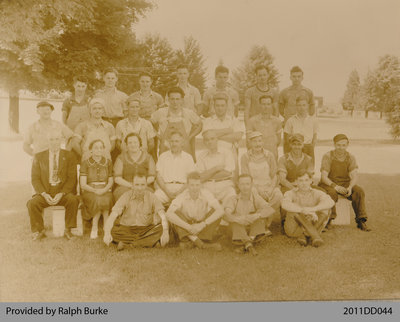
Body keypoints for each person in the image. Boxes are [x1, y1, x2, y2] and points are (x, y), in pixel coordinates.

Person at [26, 130, 79, 241]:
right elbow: (35, 179)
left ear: (61, 141)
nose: (54, 142)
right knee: (32, 203)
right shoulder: (39, 157)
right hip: (46, 191)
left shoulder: (69, 156)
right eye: (51, 139)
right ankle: (39, 231)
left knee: (73, 200)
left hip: (63, 191)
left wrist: (61, 193)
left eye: (57, 139)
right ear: (47, 141)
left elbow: (72, 178)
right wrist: (44, 194)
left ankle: (68, 230)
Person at [103, 171, 169, 251]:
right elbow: (113, 215)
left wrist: (165, 232)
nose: (140, 188)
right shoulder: (126, 196)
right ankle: (149, 243)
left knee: (160, 229)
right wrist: (107, 233)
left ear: (146, 185)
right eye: (137, 185)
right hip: (127, 229)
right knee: (113, 230)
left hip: (146, 229)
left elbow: (162, 215)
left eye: (142, 185)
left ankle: (126, 244)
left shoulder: (152, 197)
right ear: (132, 185)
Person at [318, 134, 371, 231]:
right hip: (329, 183)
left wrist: (350, 187)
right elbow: (324, 176)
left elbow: (354, 176)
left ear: (347, 145)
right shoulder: (328, 156)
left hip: (345, 183)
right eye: (338, 145)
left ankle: (361, 220)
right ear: (334, 145)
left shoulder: (350, 157)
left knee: (359, 191)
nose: (341, 148)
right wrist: (335, 186)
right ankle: (328, 220)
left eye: (343, 145)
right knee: (331, 193)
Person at [166, 172, 224, 250]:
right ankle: (201, 244)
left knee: (216, 212)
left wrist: (203, 224)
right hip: (187, 225)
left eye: (197, 185)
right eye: (192, 185)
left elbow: (220, 210)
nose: (195, 188)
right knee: (175, 213)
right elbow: (168, 214)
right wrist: (189, 227)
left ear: (201, 185)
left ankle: (190, 242)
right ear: (187, 185)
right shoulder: (182, 195)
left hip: (202, 225)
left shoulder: (206, 193)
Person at [224, 174, 275, 255]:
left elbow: (269, 209)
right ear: (238, 185)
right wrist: (237, 219)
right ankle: (250, 243)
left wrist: (256, 215)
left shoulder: (256, 197)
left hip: (252, 228)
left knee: (260, 219)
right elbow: (226, 213)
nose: (245, 187)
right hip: (239, 228)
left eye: (247, 184)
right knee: (235, 223)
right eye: (242, 184)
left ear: (251, 184)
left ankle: (246, 244)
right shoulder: (234, 199)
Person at [281, 171, 334, 247]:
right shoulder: (290, 193)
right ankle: (314, 236)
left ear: (311, 181)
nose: (304, 183)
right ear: (296, 182)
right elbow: (284, 204)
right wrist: (303, 210)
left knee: (325, 208)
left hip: (312, 225)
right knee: (293, 210)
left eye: (306, 180)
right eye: (301, 180)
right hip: (294, 230)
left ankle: (305, 235)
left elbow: (330, 202)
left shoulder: (317, 193)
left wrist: (313, 209)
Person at [151, 86, 202, 160]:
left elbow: (200, 124)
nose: (175, 102)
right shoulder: (161, 112)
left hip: (184, 146)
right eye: (172, 99)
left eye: (177, 99)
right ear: (168, 100)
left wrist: (190, 137)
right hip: (166, 146)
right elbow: (149, 124)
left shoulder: (188, 113)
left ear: (182, 100)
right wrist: (158, 136)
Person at [79, 139, 114, 239]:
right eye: (95, 147)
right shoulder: (86, 163)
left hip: (105, 189)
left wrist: (104, 189)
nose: (98, 150)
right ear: (91, 150)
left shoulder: (108, 162)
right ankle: (97, 227)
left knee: (106, 198)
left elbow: (111, 181)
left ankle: (104, 228)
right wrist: (95, 190)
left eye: (100, 147)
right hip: (90, 190)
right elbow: (83, 184)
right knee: (98, 199)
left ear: (103, 150)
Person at [241, 131, 283, 211]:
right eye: (254, 141)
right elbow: (246, 178)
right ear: (250, 143)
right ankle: (265, 214)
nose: (258, 144)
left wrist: (270, 188)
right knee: (254, 194)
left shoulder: (269, 155)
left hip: (268, 186)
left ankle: (266, 215)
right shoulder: (245, 157)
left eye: (259, 141)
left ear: (263, 142)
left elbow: (274, 175)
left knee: (279, 195)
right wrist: (259, 190)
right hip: (253, 187)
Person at [279, 66, 315, 154]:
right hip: (290, 125)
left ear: (302, 77)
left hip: (303, 125)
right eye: (294, 76)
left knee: (305, 150)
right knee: (288, 150)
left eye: (299, 76)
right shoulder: (284, 92)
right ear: (290, 77)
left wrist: (307, 119)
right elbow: (280, 108)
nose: (296, 79)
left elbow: (312, 107)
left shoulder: (308, 91)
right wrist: (287, 118)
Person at [154, 132, 196, 205]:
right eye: (172, 141)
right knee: (155, 198)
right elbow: (158, 176)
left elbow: (191, 178)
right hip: (165, 188)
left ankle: (175, 216)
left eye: (177, 141)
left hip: (182, 189)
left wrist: (179, 192)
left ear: (182, 143)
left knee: (188, 201)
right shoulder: (163, 156)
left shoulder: (188, 157)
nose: (174, 144)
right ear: (169, 143)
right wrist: (167, 191)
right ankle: (163, 216)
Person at [197, 130, 237, 205]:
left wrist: (207, 174)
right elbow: (200, 177)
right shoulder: (201, 156)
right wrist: (216, 169)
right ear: (204, 142)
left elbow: (227, 173)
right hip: (207, 187)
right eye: (207, 140)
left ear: (217, 139)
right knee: (205, 206)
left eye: (212, 139)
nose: (210, 142)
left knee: (231, 201)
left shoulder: (227, 152)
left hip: (225, 185)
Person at [113, 133, 156, 201]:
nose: (133, 145)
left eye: (135, 142)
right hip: (125, 186)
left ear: (140, 144)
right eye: (130, 143)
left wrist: (140, 185)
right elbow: (117, 178)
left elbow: (152, 176)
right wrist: (131, 186)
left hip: (144, 186)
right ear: (126, 145)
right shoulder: (121, 158)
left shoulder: (148, 157)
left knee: (148, 195)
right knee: (122, 195)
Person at [284, 96, 318, 163]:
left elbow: (314, 137)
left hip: (308, 148)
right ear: (296, 106)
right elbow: (286, 138)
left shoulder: (313, 120)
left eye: (303, 105)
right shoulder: (290, 120)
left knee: (309, 170)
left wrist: (310, 148)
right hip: (295, 148)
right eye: (299, 105)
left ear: (307, 106)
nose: (301, 108)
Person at [247, 95, 282, 159]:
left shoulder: (277, 121)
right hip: (257, 156)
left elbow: (278, 141)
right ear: (259, 105)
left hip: (272, 155)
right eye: (263, 104)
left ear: (271, 105)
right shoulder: (252, 121)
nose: (266, 107)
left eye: (268, 104)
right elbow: (249, 141)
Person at [244, 65, 279, 129]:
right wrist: (248, 127)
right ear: (256, 76)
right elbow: (247, 111)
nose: (262, 77)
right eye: (260, 75)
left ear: (268, 75)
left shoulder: (274, 92)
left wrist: (275, 125)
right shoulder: (249, 91)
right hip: (254, 125)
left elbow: (276, 110)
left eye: (264, 75)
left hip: (269, 125)